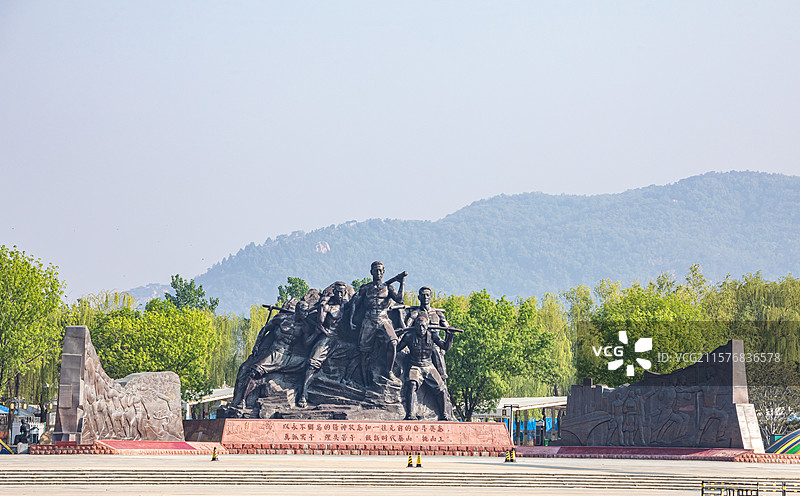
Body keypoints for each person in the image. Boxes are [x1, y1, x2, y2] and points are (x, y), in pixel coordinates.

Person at [230, 302, 312, 409]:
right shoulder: (282, 319)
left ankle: (303, 396)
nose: (306, 314)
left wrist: (317, 332)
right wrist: (257, 345)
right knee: (253, 372)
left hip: (289, 357)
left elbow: (306, 344)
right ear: (298, 310)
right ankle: (242, 401)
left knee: (310, 365)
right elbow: (265, 329)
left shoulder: (304, 327)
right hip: (275, 353)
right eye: (304, 311)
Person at [348, 261, 406, 387]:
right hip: (369, 319)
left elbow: (400, 299)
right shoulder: (366, 288)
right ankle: (364, 381)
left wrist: (401, 282)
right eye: (375, 270)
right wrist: (351, 320)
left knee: (393, 342)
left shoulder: (389, 287)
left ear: (383, 272)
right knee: (364, 351)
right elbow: (354, 303)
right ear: (371, 272)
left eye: (380, 270)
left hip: (383, 318)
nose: (378, 273)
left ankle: (389, 371)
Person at [297, 281, 348, 407]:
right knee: (312, 362)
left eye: (342, 292)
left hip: (341, 339)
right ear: (333, 292)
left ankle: (347, 381)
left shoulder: (348, 305)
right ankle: (303, 394)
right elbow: (320, 323)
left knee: (359, 352)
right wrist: (321, 307)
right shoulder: (327, 306)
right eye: (337, 291)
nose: (340, 294)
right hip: (327, 337)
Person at [397, 315, 454, 420]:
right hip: (415, 365)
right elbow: (396, 348)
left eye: (423, 326)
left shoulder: (432, 336)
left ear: (427, 326)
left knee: (442, 388)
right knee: (411, 384)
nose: (421, 329)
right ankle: (410, 414)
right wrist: (398, 337)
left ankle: (443, 414)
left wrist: (449, 336)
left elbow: (445, 346)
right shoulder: (409, 336)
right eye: (418, 326)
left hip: (428, 366)